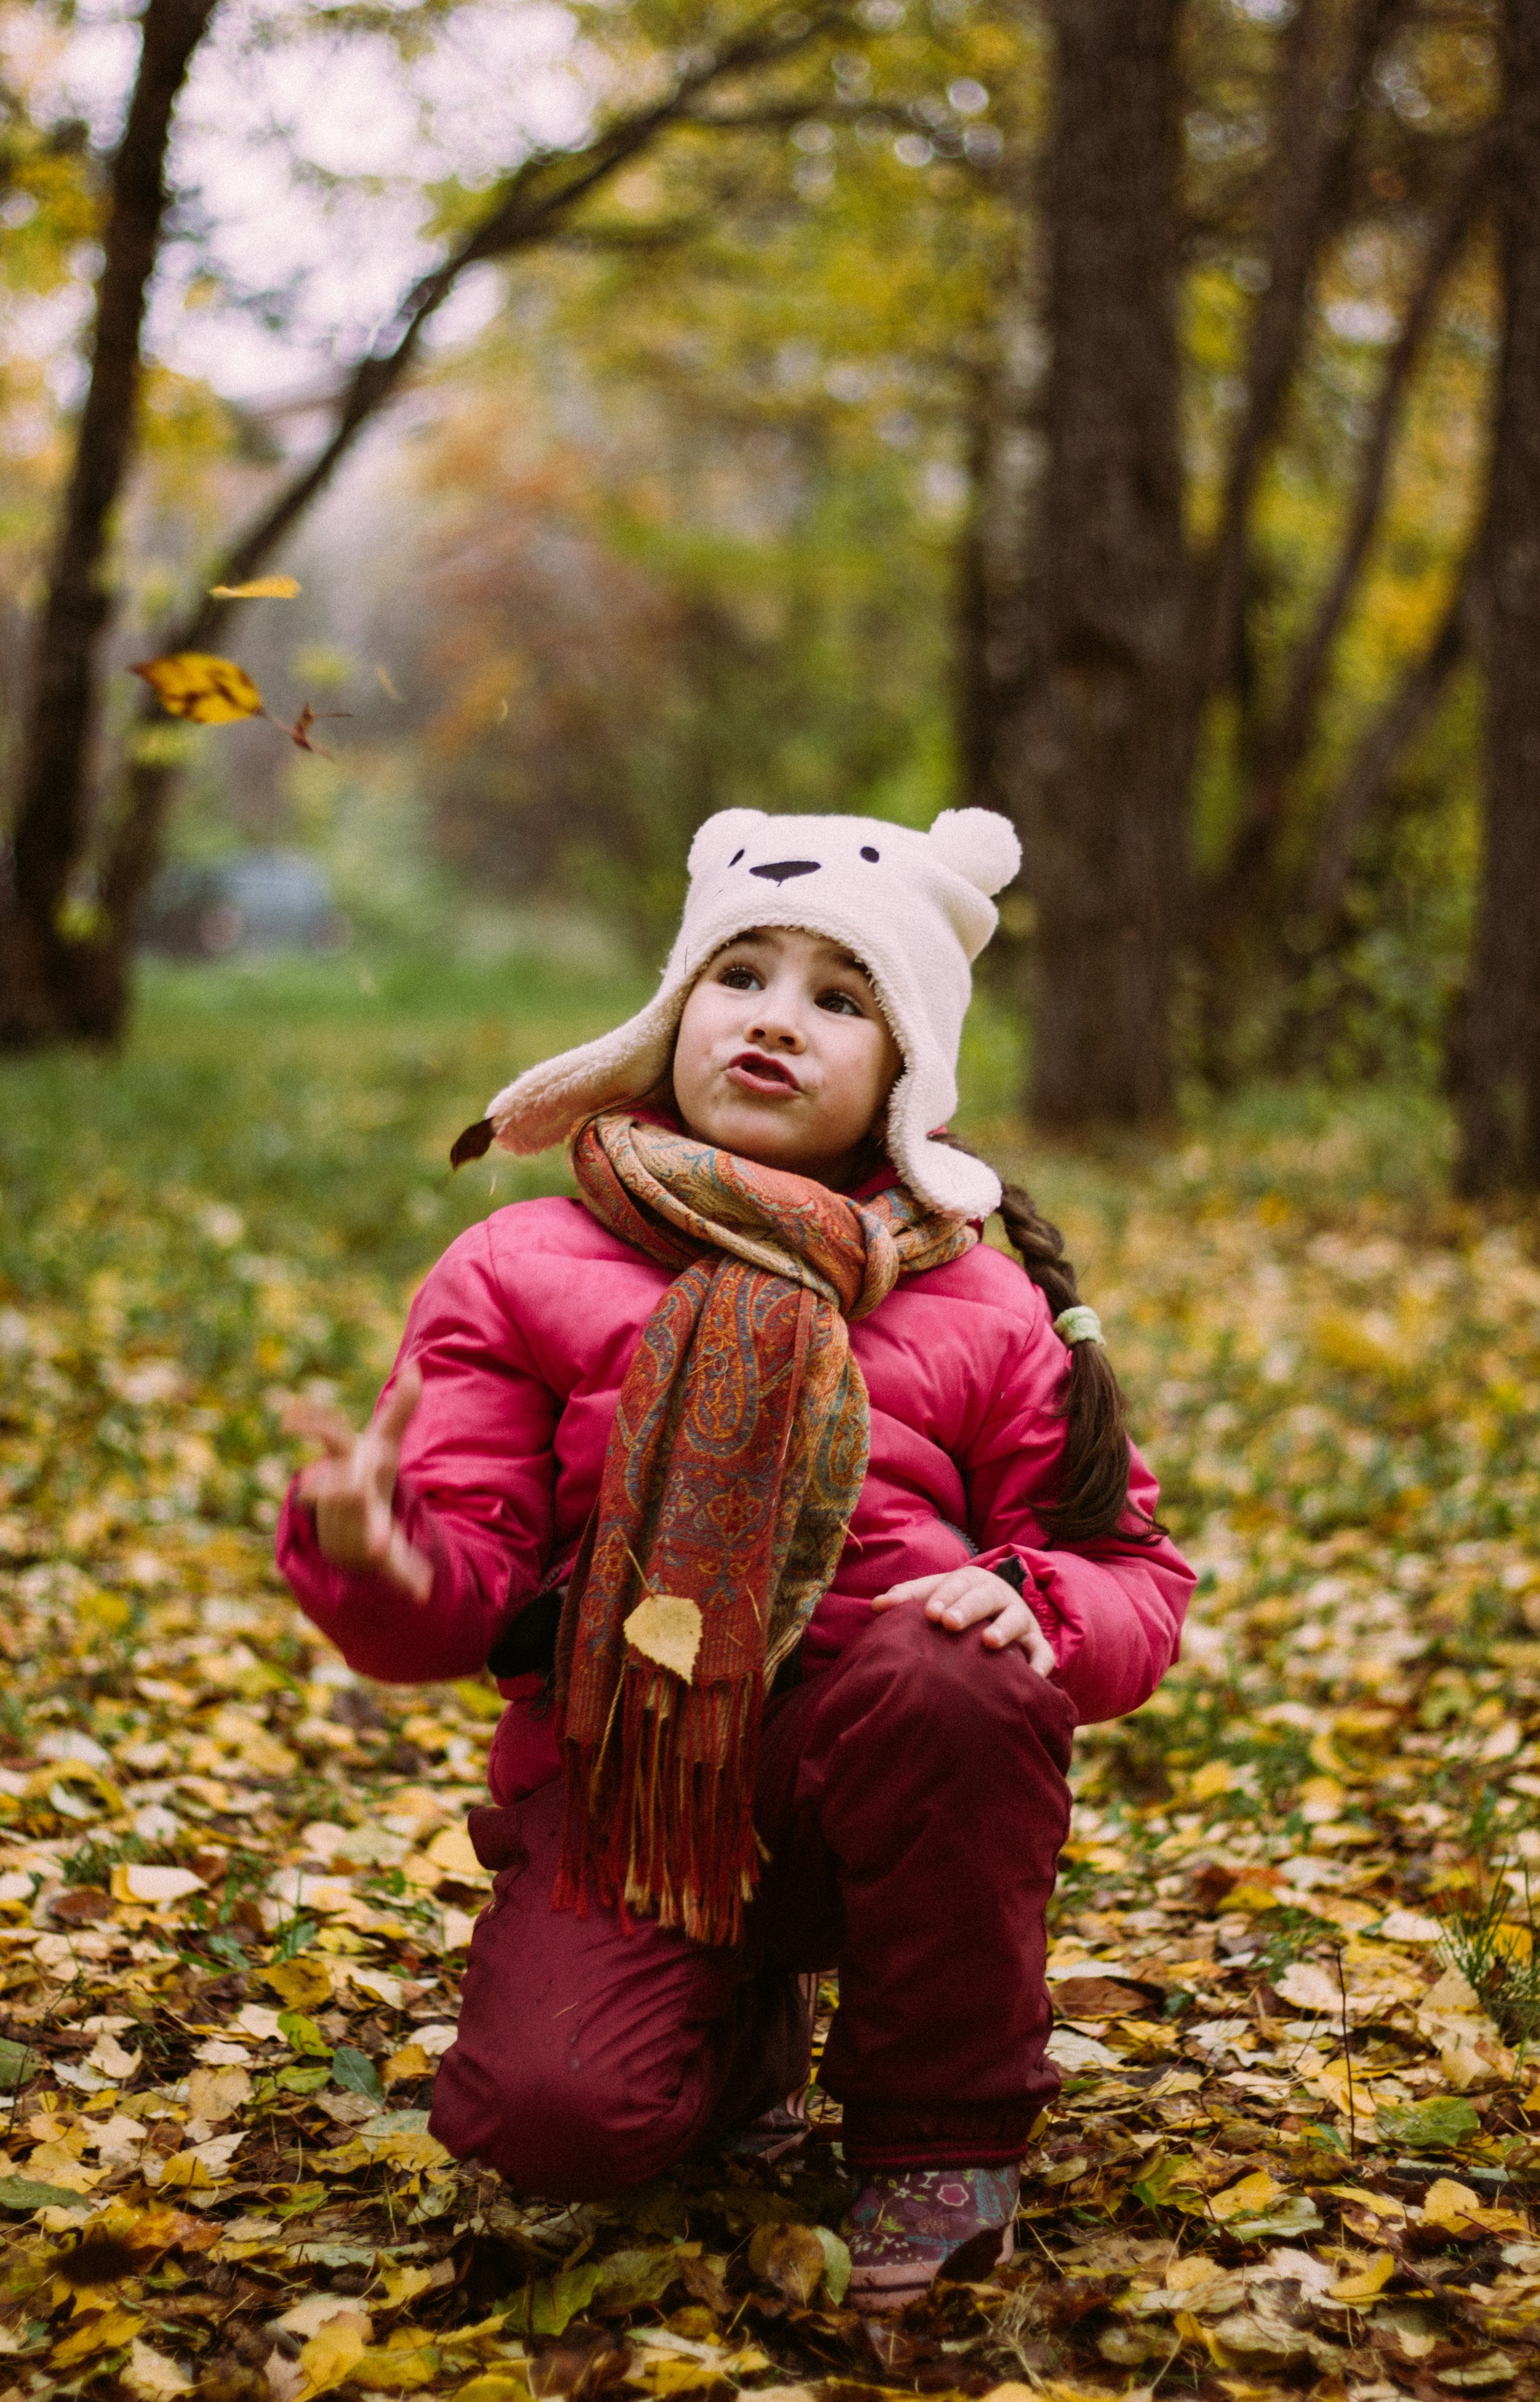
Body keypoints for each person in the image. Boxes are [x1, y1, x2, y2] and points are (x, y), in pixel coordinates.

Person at [277, 806, 1194, 2309]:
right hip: (632, 1790)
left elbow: (1127, 1573)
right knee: (555, 2122)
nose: (778, 1022)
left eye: (842, 1000)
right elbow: (472, 1589)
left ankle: (939, 2131)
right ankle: (731, 2024)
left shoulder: (980, 1304)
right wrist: (378, 1554)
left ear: (907, 1074)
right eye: (741, 976)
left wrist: (1030, 1601)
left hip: (887, 1780)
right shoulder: (520, 1267)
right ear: (670, 1013)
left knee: (947, 1672)